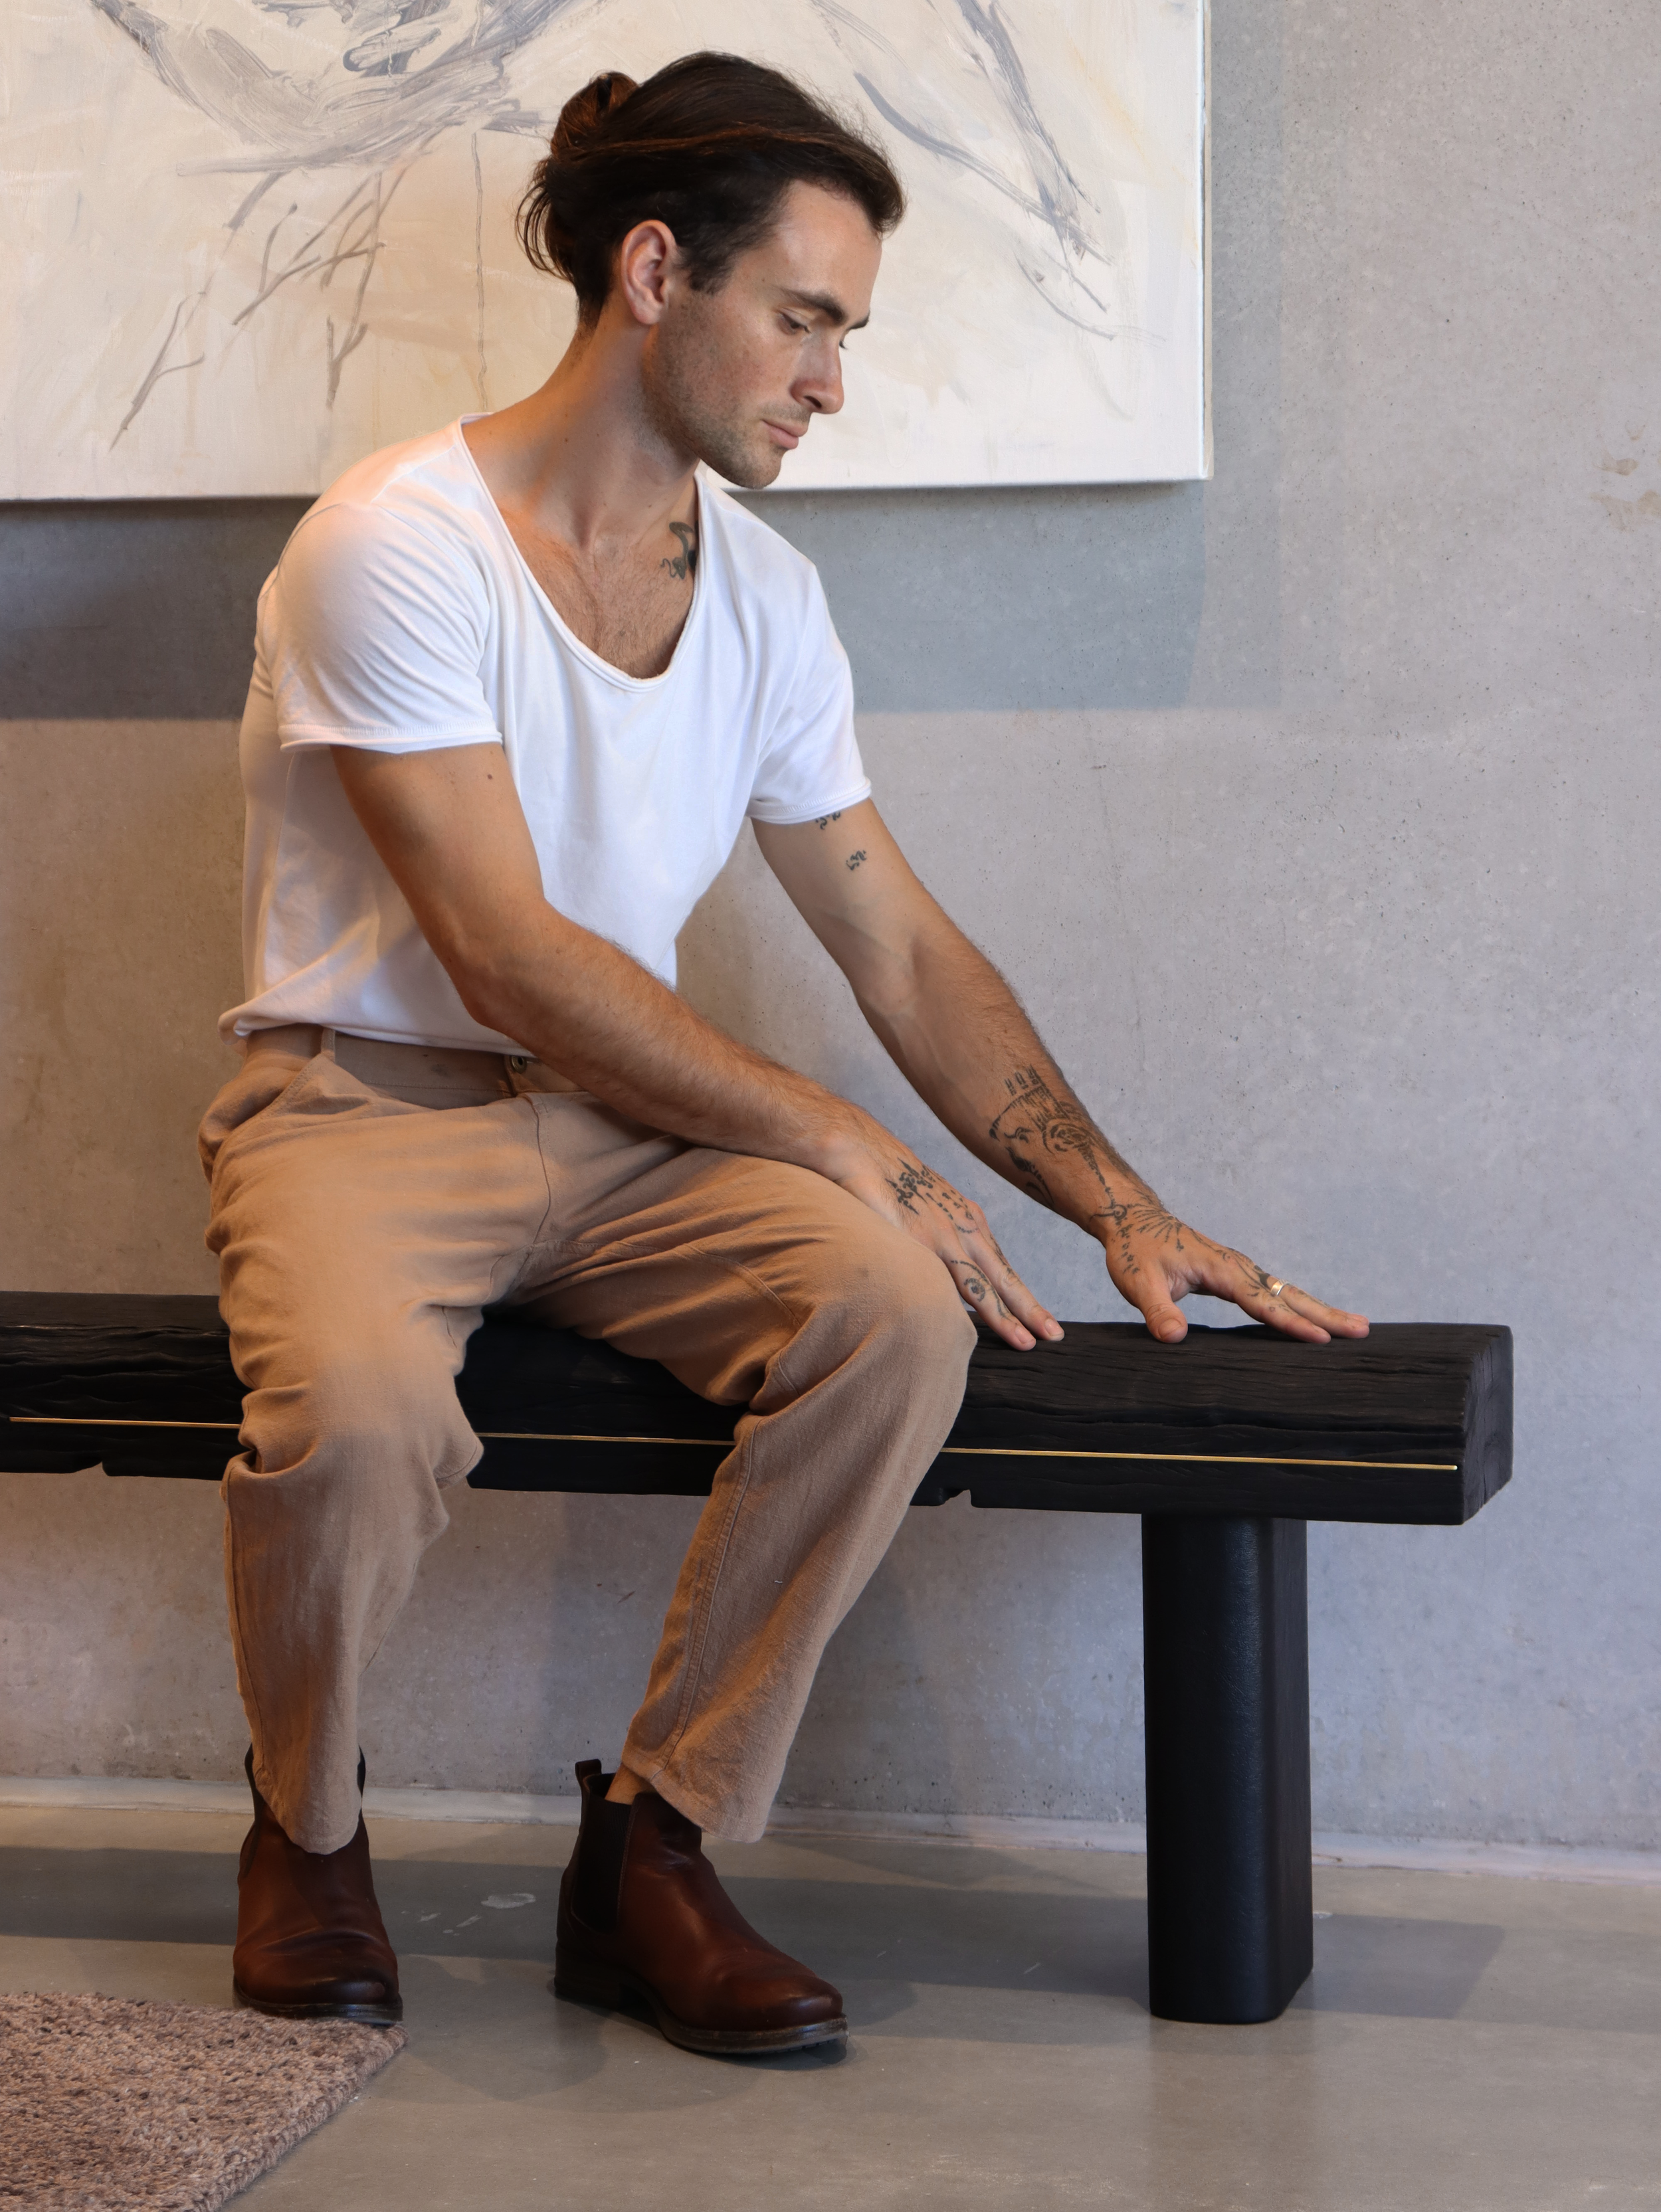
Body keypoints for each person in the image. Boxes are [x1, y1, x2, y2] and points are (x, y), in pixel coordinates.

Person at [200, 50, 1367, 2059]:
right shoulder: (391, 543)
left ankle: (653, 1848)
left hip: (624, 1131)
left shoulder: (764, 598)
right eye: (805, 320)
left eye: (847, 336)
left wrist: (1116, 1205)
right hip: (360, 1110)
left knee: (895, 1316)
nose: (831, 383)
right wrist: (833, 1131)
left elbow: (892, 937)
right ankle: (304, 1835)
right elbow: (506, 954)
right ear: (655, 272)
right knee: (364, 1419)